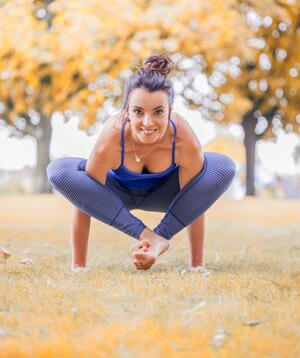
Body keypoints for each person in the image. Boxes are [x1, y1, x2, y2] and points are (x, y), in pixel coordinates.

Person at [47, 55, 236, 272]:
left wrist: (197, 265)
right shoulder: (113, 135)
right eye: (138, 112)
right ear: (127, 110)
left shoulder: (183, 137)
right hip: (114, 197)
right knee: (59, 171)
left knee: (222, 166)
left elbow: (195, 201)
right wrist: (78, 266)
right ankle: (151, 237)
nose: (148, 123)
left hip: (167, 196)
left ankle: (161, 237)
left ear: (170, 109)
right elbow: (84, 199)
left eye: (158, 112)